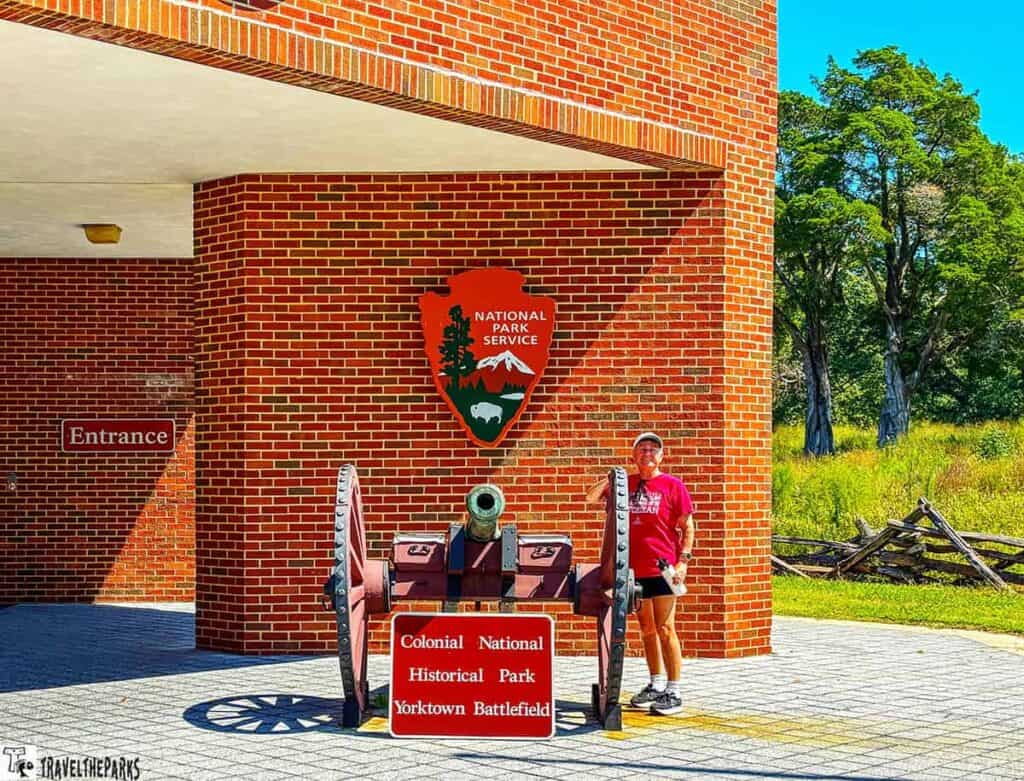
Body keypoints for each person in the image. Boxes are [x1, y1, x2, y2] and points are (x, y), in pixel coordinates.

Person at [585, 432, 694, 716]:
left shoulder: (673, 485)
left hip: (663, 567)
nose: (648, 453)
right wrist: (613, 479)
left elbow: (687, 526)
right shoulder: (626, 485)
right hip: (634, 570)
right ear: (634, 455)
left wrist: (684, 561)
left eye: (654, 449)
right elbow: (590, 498)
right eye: (642, 448)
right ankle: (656, 683)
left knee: (666, 627)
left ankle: (674, 689)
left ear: (662, 456)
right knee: (646, 628)